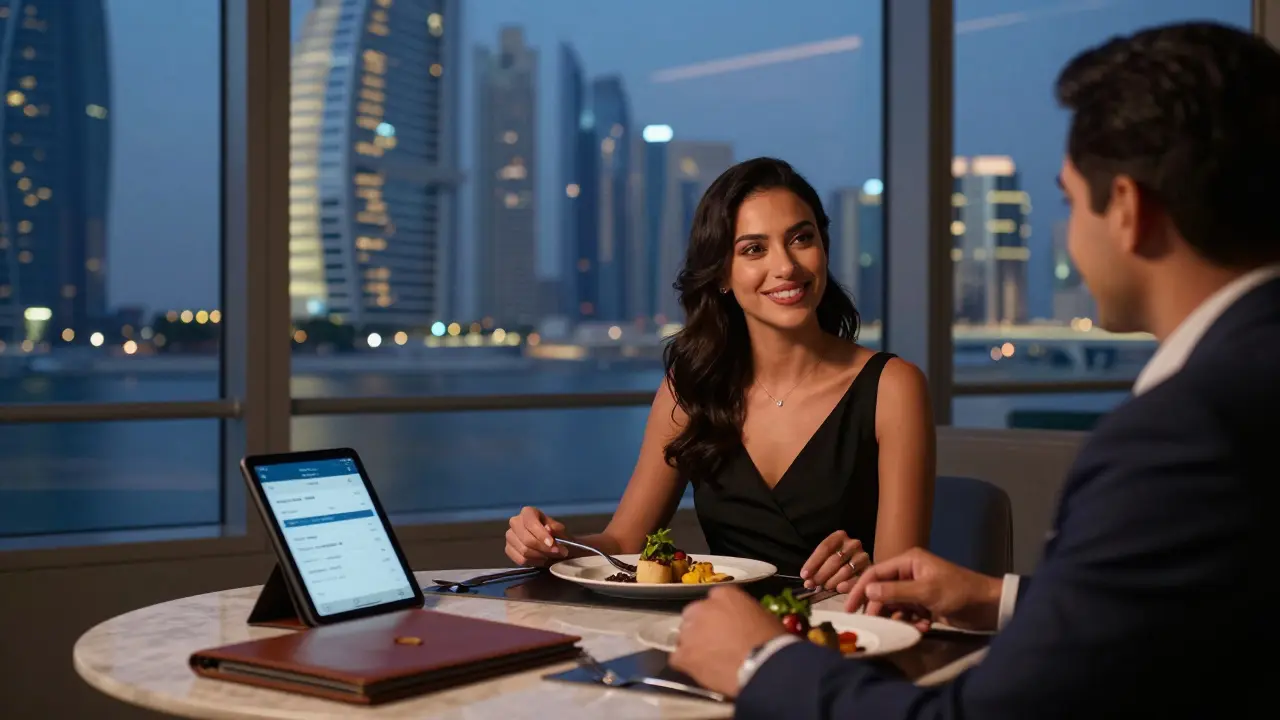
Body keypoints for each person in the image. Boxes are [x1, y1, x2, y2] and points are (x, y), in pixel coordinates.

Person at [670, 21, 1278, 718]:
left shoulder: (1184, 435)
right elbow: (1180, 612)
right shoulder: (1243, 389)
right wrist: (995, 597)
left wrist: (758, 661)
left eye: (1069, 200)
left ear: (1129, 212)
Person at [504, 157, 936, 584]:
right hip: (723, 639)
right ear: (723, 274)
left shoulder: (894, 388)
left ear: (823, 247)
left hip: (845, 639)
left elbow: (902, 585)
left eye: (801, 239)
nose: (785, 266)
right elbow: (623, 542)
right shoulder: (690, 390)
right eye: (754, 249)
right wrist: (556, 547)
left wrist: (864, 573)